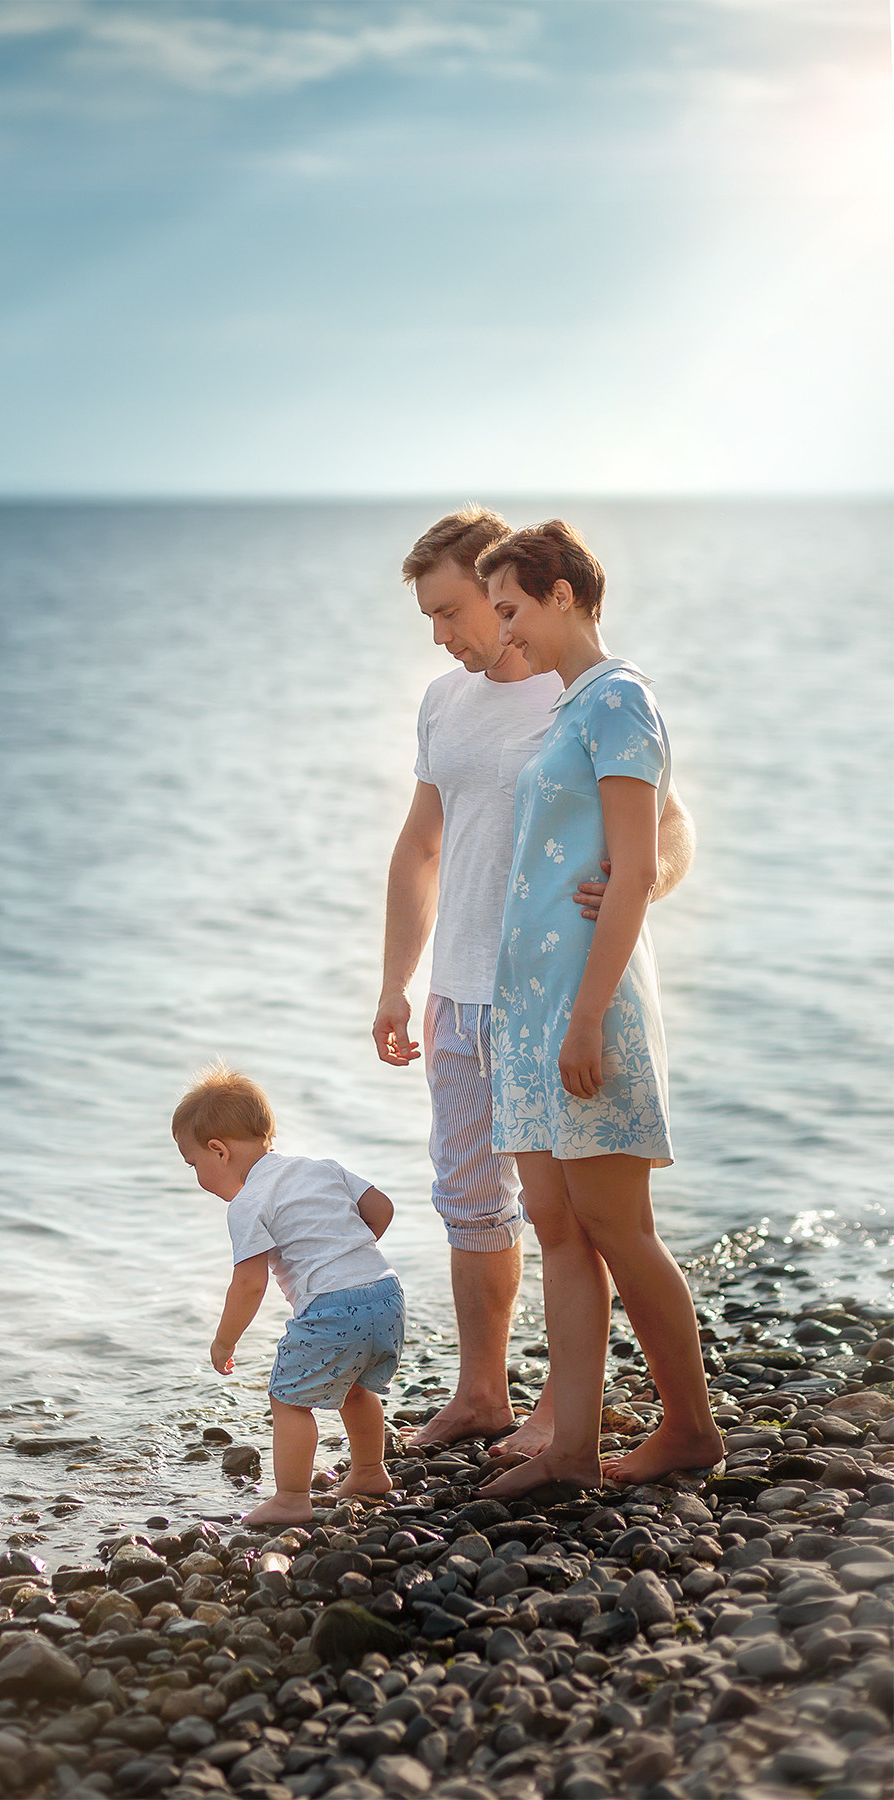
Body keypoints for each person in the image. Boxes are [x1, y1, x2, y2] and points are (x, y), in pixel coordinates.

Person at [373, 508, 694, 1452]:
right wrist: (396, 983)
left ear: (502, 590)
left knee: (583, 1217)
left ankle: (568, 1413)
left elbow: (667, 829)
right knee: (475, 1200)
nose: (445, 634)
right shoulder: (445, 703)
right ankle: (485, 1396)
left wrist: (636, 886)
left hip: (554, 993)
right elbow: (420, 846)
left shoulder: (580, 695)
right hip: (463, 992)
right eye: (432, 618)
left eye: (453, 611)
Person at [472, 520, 722, 1495]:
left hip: (588, 1002)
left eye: (512, 610)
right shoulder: (571, 706)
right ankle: (571, 1449)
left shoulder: (619, 699)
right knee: (557, 1223)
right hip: (530, 1007)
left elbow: (635, 869)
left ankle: (690, 1428)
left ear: (563, 593)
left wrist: (584, 1017)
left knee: (618, 1224)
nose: (504, 634)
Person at [173, 1064, 404, 1526]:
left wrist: (224, 1341)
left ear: (218, 1151)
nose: (197, 1176)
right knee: (355, 1386)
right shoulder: (322, 1168)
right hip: (386, 1293)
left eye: (193, 1164)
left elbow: (249, 1284)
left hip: (332, 1307)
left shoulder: (249, 1202)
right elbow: (382, 1208)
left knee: (288, 1400)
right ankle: (369, 1472)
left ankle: (292, 1498)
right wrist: (347, 1254)